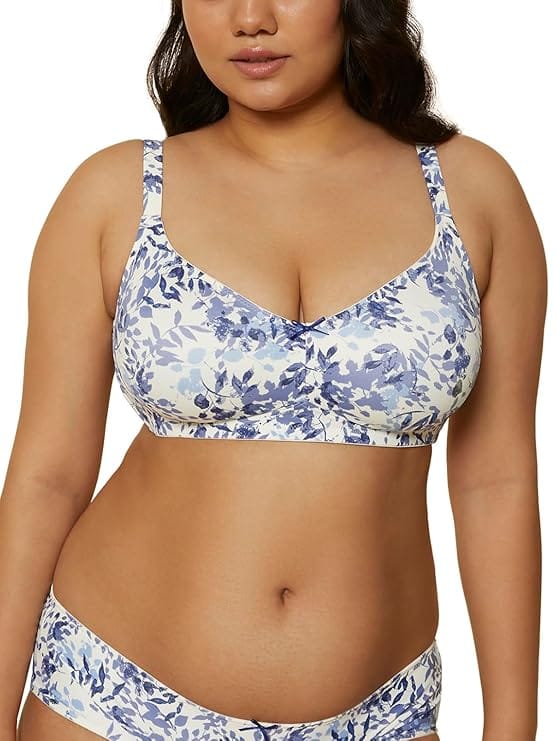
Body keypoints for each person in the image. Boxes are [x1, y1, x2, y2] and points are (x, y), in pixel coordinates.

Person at [1, 1, 546, 740]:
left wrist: (512, 726)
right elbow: (47, 478)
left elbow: (496, 481)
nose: (250, 18)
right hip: (111, 698)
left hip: (380, 716)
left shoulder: (472, 193)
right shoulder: (116, 192)